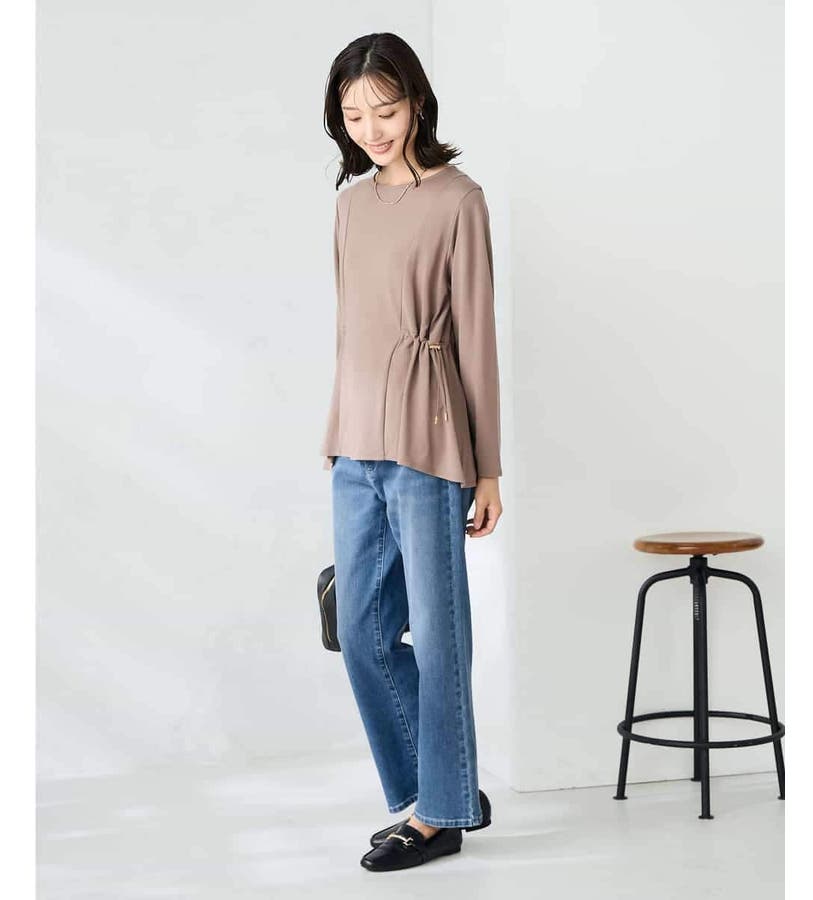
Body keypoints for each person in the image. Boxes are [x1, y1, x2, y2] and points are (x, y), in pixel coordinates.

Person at [320, 32, 503, 872]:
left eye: (385, 111)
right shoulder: (350, 204)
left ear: (417, 104)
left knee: (437, 634)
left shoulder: (459, 199)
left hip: (430, 442)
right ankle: (448, 785)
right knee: (360, 633)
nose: (372, 129)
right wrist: (335, 431)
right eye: (354, 115)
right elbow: (349, 329)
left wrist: (487, 467)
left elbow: (476, 339)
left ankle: (439, 815)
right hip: (354, 443)